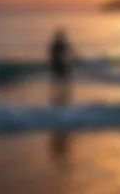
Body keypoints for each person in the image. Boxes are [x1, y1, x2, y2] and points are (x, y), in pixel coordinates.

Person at [48, 29, 76, 157]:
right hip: (61, 66)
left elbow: (51, 54)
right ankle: (62, 106)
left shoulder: (54, 44)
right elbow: (71, 52)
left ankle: (58, 106)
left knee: (58, 88)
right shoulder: (60, 44)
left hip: (56, 66)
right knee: (63, 87)